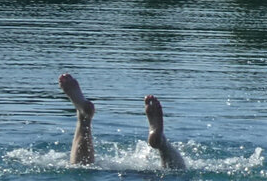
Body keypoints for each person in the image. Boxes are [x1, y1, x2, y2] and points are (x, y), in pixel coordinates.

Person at [58, 73, 186, 171]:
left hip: (106, 176)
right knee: (176, 173)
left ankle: (83, 118)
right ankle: (161, 141)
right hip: (148, 177)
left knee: (83, 168)